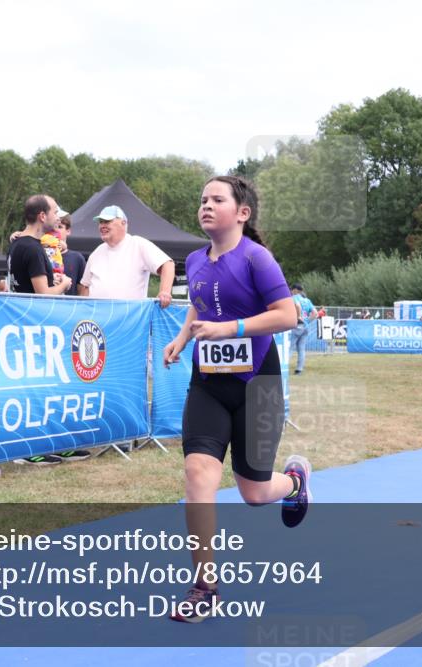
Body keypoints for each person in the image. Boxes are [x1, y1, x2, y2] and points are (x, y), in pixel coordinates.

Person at [162, 176, 312, 623]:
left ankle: (295, 483)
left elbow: (288, 315)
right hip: (207, 383)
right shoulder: (193, 259)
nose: (206, 206)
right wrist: (182, 336)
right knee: (197, 473)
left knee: (253, 492)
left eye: (217, 200)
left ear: (242, 213)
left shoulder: (256, 258)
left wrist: (232, 329)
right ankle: (204, 587)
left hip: (257, 387)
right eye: (203, 200)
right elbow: (199, 305)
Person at [7, 195, 89, 465]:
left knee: (46, 387)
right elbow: (43, 293)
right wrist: (64, 285)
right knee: (35, 389)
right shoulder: (31, 247)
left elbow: (33, 283)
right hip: (34, 325)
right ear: (42, 216)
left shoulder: (23, 244)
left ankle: (53, 442)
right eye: (54, 211)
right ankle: (31, 449)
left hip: (28, 324)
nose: (58, 216)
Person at [78, 205, 175, 307]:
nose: (102, 225)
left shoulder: (138, 244)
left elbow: (168, 265)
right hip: (98, 317)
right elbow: (85, 286)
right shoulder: (97, 252)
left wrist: (165, 292)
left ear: (123, 223)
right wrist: (85, 308)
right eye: (100, 222)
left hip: (129, 318)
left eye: (107, 221)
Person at [289, 283, 317, 374]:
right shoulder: (307, 300)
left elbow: (297, 306)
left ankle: (283, 367)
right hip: (305, 327)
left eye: (291, 290)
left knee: (290, 348)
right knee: (301, 349)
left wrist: (299, 317)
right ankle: (299, 369)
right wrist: (307, 321)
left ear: (294, 290)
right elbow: (315, 313)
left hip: (297, 325)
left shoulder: (294, 298)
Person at [58, 213, 85, 296]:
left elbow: (82, 290)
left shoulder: (77, 258)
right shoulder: (40, 253)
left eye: (59, 227)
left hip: (69, 307)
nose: (55, 230)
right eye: (53, 227)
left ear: (68, 231)